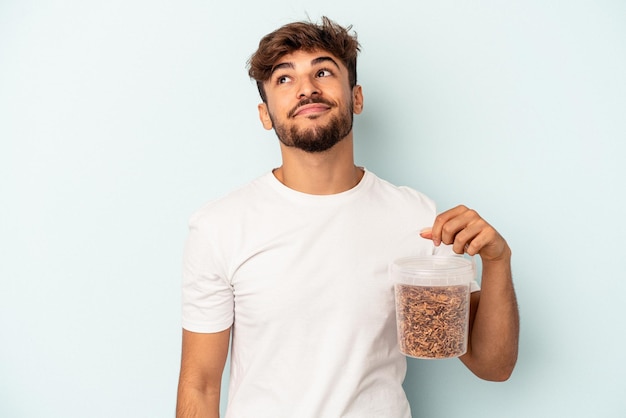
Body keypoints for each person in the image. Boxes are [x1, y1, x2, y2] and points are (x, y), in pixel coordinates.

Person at [176, 16, 519, 418]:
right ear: (265, 114)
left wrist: (498, 261)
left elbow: (492, 365)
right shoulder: (220, 226)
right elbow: (199, 385)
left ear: (356, 98)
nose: (307, 88)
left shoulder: (415, 216)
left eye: (323, 71)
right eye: (284, 79)